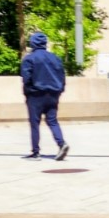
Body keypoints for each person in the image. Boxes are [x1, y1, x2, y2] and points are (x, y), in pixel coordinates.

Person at [20, 31, 68, 161]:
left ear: (33, 43)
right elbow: (62, 76)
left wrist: (28, 92)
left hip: (36, 94)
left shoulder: (29, 59)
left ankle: (35, 153)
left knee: (34, 123)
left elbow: (26, 78)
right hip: (53, 94)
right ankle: (61, 143)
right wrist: (60, 90)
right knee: (52, 120)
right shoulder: (55, 58)